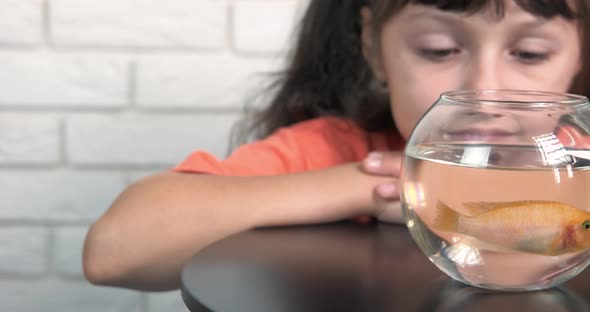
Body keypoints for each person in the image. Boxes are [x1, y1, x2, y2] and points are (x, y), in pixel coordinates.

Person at [82, 0, 590, 291]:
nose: (485, 92)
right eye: (437, 49)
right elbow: (115, 252)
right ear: (373, 46)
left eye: (529, 52)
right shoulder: (337, 152)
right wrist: (378, 188)